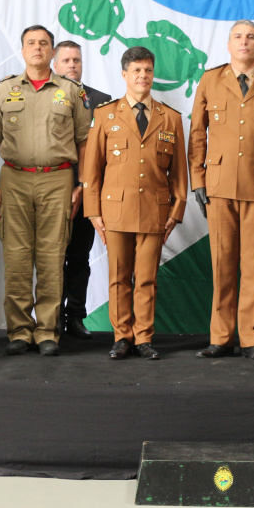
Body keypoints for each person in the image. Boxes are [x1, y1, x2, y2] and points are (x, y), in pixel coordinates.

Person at [0, 25, 91, 356]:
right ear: (22, 50)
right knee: (16, 257)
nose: (38, 48)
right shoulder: (5, 89)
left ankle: (47, 332)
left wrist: (82, 184)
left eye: (44, 43)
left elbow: (85, 141)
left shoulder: (71, 91)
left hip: (58, 180)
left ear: (52, 52)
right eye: (31, 43)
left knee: (52, 257)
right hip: (14, 180)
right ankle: (19, 331)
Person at [189, 20, 254, 362]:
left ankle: (251, 339)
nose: (244, 42)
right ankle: (220, 338)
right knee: (222, 265)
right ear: (228, 44)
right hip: (219, 186)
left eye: (251, 37)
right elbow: (197, 134)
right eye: (238, 36)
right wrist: (197, 180)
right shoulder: (210, 80)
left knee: (253, 267)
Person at [82, 46, 188, 360]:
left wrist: (176, 212)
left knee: (147, 278)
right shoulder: (105, 115)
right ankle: (122, 337)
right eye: (137, 70)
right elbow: (92, 170)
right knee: (118, 277)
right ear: (124, 74)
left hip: (155, 212)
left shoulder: (170, 118)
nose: (143, 76)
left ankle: (143, 337)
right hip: (115, 211)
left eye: (148, 70)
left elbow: (179, 174)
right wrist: (93, 212)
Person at [52, 40, 111, 340]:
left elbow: (105, 151)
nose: (72, 65)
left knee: (79, 258)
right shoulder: (42, 98)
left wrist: (86, 186)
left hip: (88, 192)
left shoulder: (101, 101)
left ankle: (75, 316)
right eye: (66, 60)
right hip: (51, 190)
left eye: (76, 60)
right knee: (51, 259)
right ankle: (50, 318)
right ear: (55, 65)